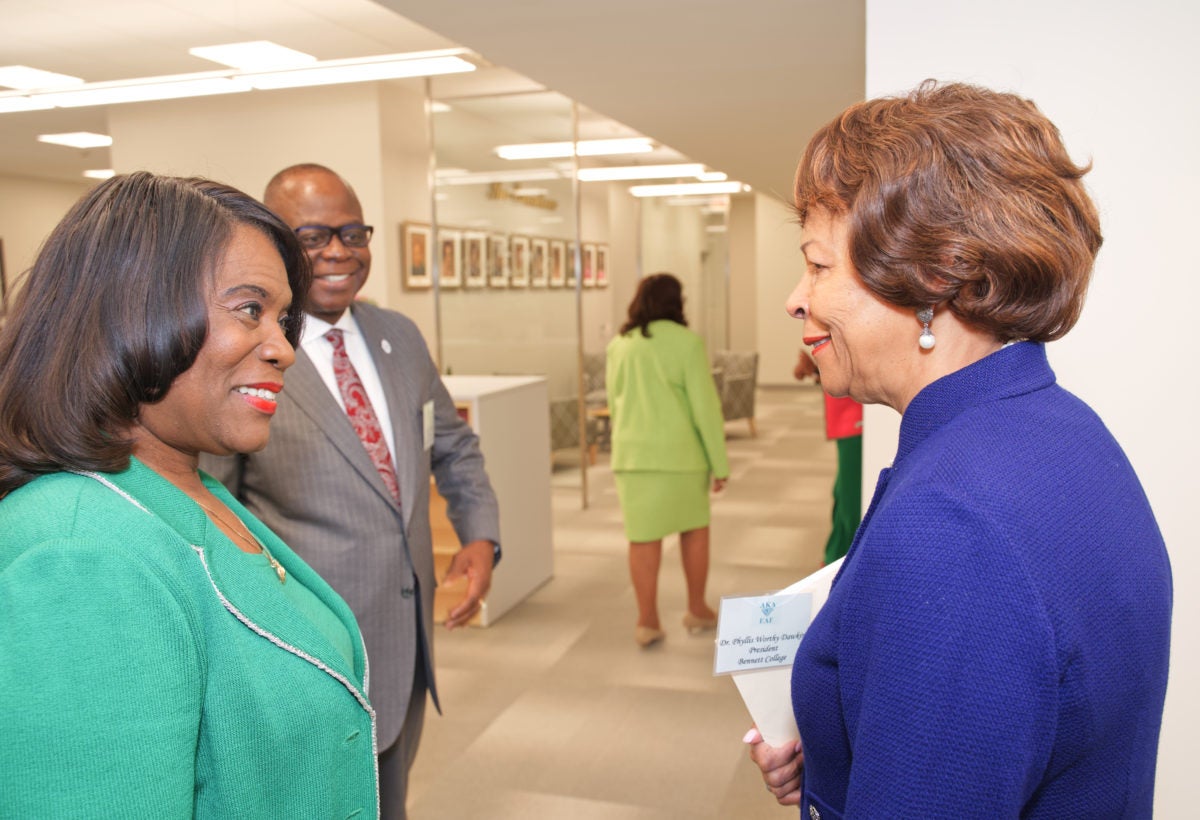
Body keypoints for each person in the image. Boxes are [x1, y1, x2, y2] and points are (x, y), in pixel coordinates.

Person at [746, 81, 1172, 817]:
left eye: (818, 265)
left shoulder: (950, 527)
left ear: (933, 276)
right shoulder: (1066, 430)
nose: (795, 298)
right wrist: (852, 746)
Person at [0, 172, 379, 815]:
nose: (284, 348)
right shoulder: (78, 554)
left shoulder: (182, 487)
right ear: (131, 310)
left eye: (284, 319)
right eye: (250, 309)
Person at [200, 163, 500, 819]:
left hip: (407, 639)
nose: (338, 251)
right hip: (308, 649)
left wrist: (480, 534)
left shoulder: (401, 336)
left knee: (390, 799)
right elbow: (214, 507)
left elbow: (451, 443)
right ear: (277, 246)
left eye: (352, 233)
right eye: (312, 237)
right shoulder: (247, 353)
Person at [606, 273, 730, 648]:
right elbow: (705, 409)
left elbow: (614, 403)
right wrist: (720, 464)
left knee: (642, 538)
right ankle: (697, 609)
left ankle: (647, 621)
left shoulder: (620, 345)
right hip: (682, 458)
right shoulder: (687, 344)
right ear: (677, 303)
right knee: (694, 531)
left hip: (633, 458)